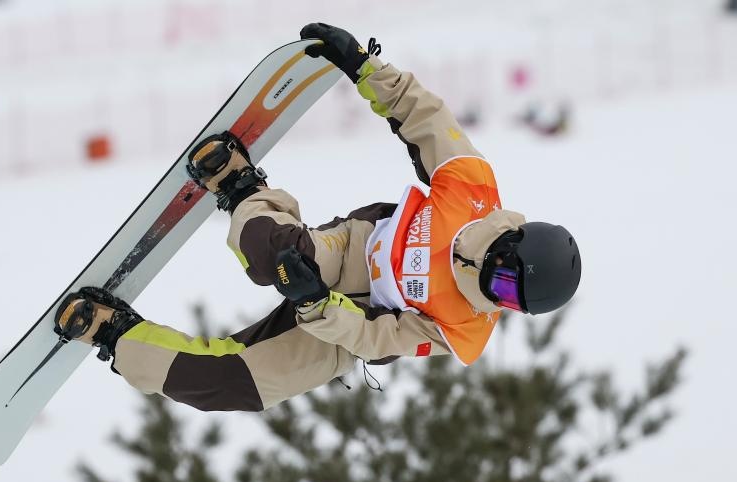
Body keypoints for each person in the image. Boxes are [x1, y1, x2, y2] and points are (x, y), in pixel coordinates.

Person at [53, 23, 582, 412]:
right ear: (512, 239)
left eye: (510, 299)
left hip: (350, 324)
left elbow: (379, 339)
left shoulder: (465, 326)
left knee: (231, 385)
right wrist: (365, 68)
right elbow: (426, 119)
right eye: (507, 276)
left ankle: (114, 335)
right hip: (359, 250)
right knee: (272, 255)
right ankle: (242, 187)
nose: (497, 291)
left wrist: (314, 304)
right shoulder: (471, 189)